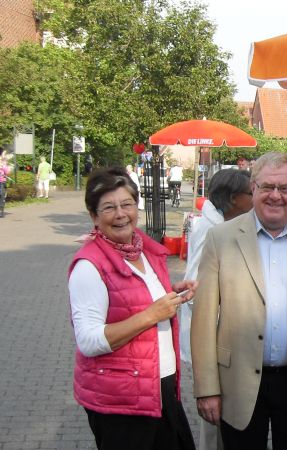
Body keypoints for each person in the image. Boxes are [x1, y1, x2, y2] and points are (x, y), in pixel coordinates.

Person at [191, 152, 287, 450]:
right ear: (253, 188)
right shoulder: (220, 239)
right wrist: (206, 388)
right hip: (238, 382)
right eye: (267, 187)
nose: (276, 196)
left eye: (284, 188)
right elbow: (203, 319)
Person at [67, 167, 197, 449]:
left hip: (159, 386)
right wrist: (152, 314)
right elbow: (89, 341)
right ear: (94, 216)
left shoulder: (146, 251)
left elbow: (135, 299)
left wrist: (170, 295)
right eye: (109, 208)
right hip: (120, 401)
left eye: (127, 204)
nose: (121, 214)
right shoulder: (89, 266)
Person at [180, 168, 252, 450]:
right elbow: (196, 287)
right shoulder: (212, 230)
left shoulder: (221, 222)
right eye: (251, 193)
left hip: (222, 334)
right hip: (215, 336)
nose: (255, 198)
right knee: (214, 413)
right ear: (234, 199)